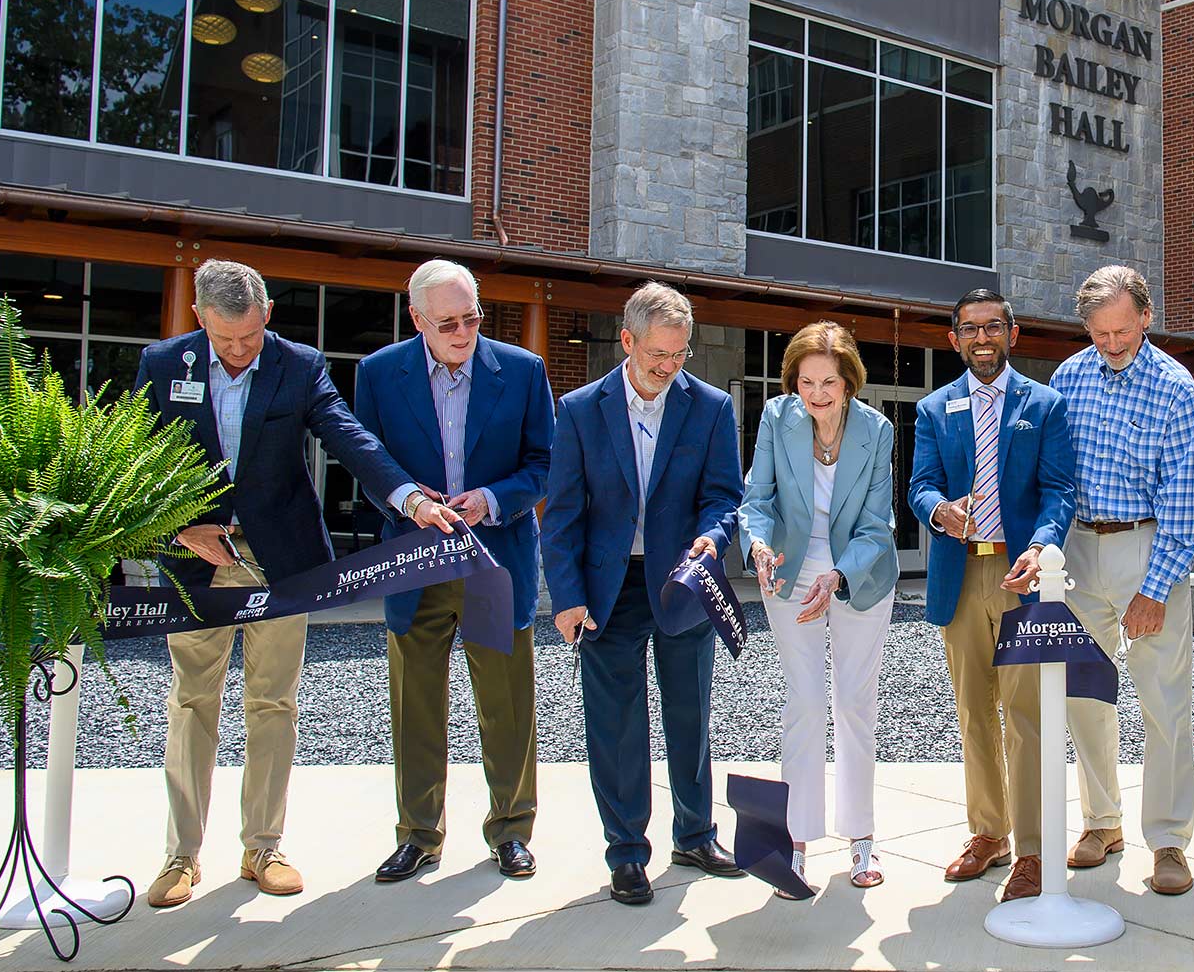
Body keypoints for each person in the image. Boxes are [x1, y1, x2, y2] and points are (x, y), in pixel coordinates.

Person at [134, 259, 461, 908]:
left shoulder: (299, 365)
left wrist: (409, 499)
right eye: (225, 340)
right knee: (193, 702)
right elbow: (136, 456)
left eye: (250, 337)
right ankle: (181, 856)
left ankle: (263, 848)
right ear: (200, 318)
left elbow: (351, 439)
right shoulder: (163, 364)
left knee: (273, 703)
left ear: (267, 318)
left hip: (279, 558)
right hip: (198, 555)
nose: (239, 351)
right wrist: (177, 529)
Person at [541, 281, 745, 907]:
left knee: (691, 715)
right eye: (658, 353)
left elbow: (723, 497)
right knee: (616, 724)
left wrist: (713, 536)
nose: (668, 366)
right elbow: (563, 513)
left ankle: (696, 834)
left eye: (680, 354)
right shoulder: (578, 409)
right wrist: (567, 596)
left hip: (683, 581)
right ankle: (627, 852)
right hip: (608, 589)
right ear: (626, 341)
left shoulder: (710, 408)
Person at [353, 260, 555, 885]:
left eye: (472, 318)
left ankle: (512, 830)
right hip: (413, 563)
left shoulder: (522, 371)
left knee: (507, 704)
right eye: (448, 323)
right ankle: (418, 835)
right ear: (416, 319)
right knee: (416, 705)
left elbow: (544, 463)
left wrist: (492, 499)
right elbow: (368, 463)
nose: (463, 332)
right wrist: (411, 500)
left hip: (494, 562)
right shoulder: (379, 374)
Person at [908, 288, 1076, 903]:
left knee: (1025, 715)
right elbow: (920, 484)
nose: (983, 338)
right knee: (973, 712)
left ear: (1013, 333)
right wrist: (938, 511)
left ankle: (1030, 849)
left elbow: (1059, 491)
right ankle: (988, 833)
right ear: (953, 338)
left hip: (1020, 576)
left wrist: (1041, 545)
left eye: (994, 327)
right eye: (970, 329)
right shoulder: (934, 409)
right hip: (961, 574)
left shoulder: (1045, 405)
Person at [1049, 265, 1194, 897]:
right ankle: (1101, 821)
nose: (1111, 343)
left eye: (1121, 329)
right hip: (1079, 550)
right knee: (1082, 695)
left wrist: (1156, 588)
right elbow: (1055, 475)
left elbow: (1184, 500)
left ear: (1146, 315)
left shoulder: (1176, 388)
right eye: (1098, 331)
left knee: (1165, 702)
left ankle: (1168, 840)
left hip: (1148, 548)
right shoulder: (1068, 376)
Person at [737, 322, 898, 897]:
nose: (817, 394)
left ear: (849, 380)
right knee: (803, 705)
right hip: (792, 571)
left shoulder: (876, 431)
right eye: (806, 382)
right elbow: (756, 500)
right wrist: (756, 543)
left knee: (855, 703)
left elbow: (880, 526)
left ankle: (861, 838)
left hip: (856, 574)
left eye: (828, 381)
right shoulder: (778, 419)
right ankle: (796, 841)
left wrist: (839, 574)